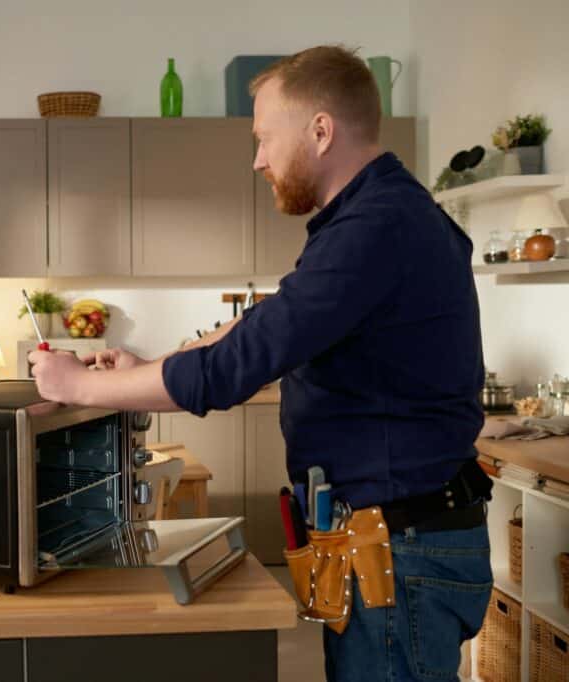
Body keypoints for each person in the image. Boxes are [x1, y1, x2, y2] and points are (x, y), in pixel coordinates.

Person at [29, 46, 491, 682]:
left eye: (264, 137)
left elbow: (236, 363)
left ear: (321, 130)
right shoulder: (377, 217)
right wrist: (142, 365)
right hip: (395, 541)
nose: (258, 159)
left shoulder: (376, 227)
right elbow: (258, 326)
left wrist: (83, 383)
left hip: (398, 552)